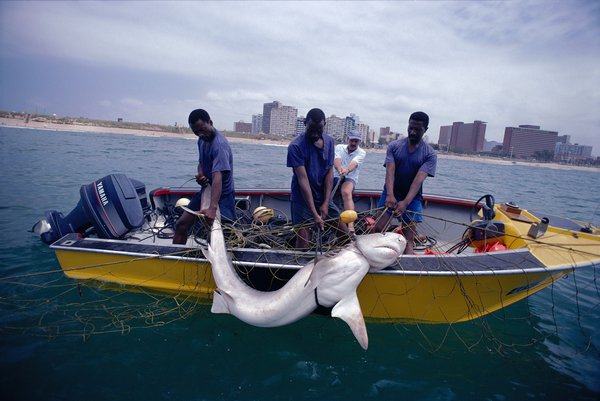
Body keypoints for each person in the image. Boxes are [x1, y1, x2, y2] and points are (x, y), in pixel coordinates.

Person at [373, 111, 437, 254]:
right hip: (390, 192)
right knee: (378, 229)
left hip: (412, 198)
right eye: (411, 128)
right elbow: (390, 170)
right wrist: (390, 195)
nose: (413, 132)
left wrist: (405, 202)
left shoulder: (430, 154)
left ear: (425, 130)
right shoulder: (394, 146)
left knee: (408, 241)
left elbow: (418, 180)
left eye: (417, 129)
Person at [173, 109, 235, 245]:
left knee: (217, 237)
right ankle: (176, 258)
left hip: (223, 195)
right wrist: (200, 175)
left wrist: (212, 208)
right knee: (181, 225)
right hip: (206, 191)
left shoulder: (219, 145)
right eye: (196, 132)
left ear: (210, 122)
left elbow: (218, 176)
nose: (200, 134)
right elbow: (201, 163)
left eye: (202, 129)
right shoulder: (201, 139)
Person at [287, 108, 340, 249]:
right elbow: (303, 181)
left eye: (319, 128)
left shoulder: (330, 142)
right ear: (305, 123)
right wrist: (314, 214)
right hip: (302, 199)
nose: (315, 132)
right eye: (311, 128)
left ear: (324, 125)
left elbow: (329, 172)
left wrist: (326, 203)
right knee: (303, 241)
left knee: (344, 233)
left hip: (323, 196)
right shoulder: (296, 146)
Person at [333, 130, 366, 233]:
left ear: (359, 142)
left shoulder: (361, 152)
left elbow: (354, 163)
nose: (353, 143)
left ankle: (351, 226)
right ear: (348, 139)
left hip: (350, 177)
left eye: (356, 141)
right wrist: (339, 170)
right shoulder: (339, 147)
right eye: (352, 140)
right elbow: (337, 160)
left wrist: (346, 170)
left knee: (346, 192)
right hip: (336, 175)